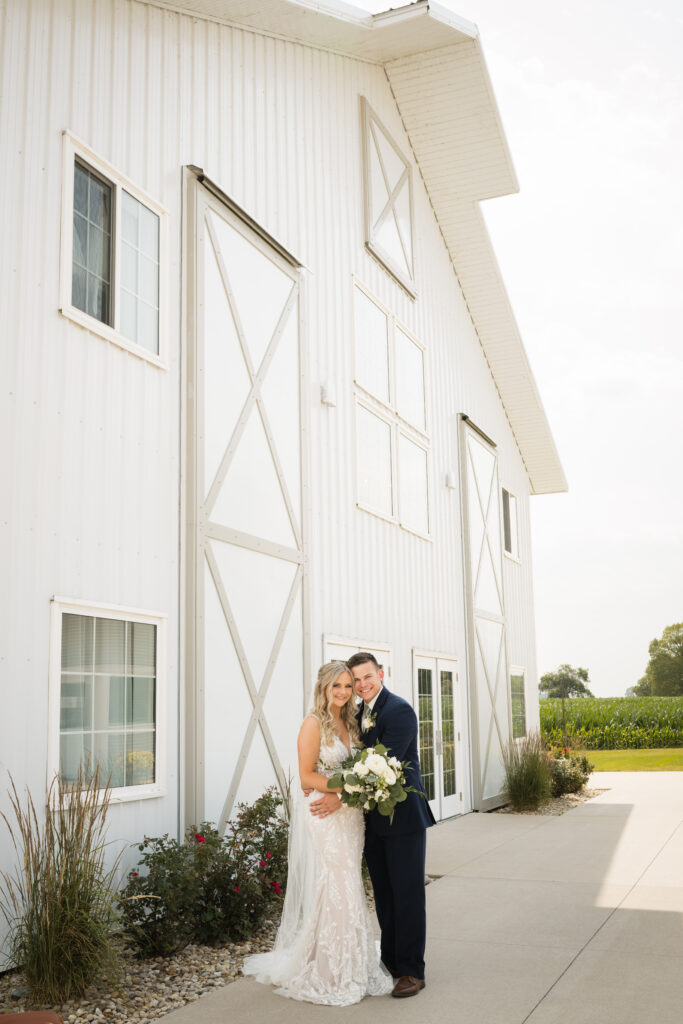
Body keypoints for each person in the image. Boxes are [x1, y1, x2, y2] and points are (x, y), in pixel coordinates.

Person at [242, 661, 393, 1005]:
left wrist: (351, 792)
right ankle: (331, 970)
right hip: (324, 813)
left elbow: (359, 767)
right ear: (323, 687)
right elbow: (307, 775)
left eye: (347, 686)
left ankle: (344, 959)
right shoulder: (312, 723)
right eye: (336, 686)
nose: (343, 692)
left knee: (346, 882)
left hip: (350, 814)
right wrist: (348, 787)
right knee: (337, 880)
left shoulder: (351, 721)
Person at [345, 651, 436, 999]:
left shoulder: (399, 710)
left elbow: (382, 763)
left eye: (367, 676)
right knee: (383, 894)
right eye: (356, 680)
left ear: (380, 674)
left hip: (403, 817)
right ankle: (392, 961)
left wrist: (337, 790)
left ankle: (412, 970)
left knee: (407, 894)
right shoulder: (357, 714)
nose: (362, 684)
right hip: (372, 820)